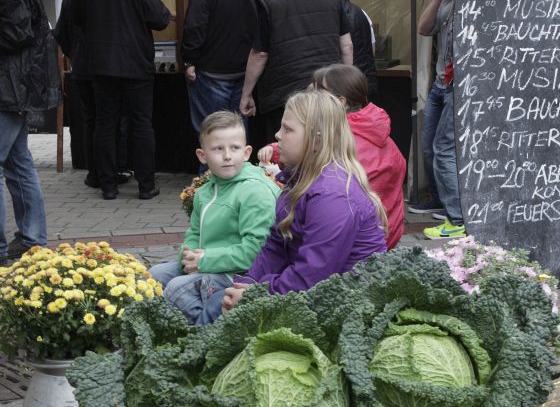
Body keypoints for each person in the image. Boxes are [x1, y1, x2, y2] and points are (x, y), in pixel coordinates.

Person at [221, 89, 387, 314]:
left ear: (316, 139)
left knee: (204, 298)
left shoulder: (332, 196)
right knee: (210, 295)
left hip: (346, 308)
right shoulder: (301, 179)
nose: (278, 135)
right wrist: (248, 282)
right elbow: (275, 246)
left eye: (287, 129)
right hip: (308, 294)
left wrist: (256, 294)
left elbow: (314, 275)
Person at [148, 111, 279, 324]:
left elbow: (257, 250)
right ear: (202, 155)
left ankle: (201, 332)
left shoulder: (254, 191)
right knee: (153, 276)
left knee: (177, 290)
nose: (227, 156)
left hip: (239, 272)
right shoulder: (204, 191)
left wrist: (205, 260)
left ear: (247, 152)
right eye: (218, 148)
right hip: (208, 262)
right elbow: (194, 232)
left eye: (235, 148)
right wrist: (187, 257)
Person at [258, 65, 405, 249]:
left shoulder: (340, 141)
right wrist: (276, 150)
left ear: (341, 102)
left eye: (318, 92)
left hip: (357, 242)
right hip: (388, 234)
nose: (311, 96)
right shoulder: (379, 133)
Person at [71, 0, 171, 201]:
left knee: (104, 123)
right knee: (141, 124)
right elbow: (160, 19)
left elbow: (76, 19)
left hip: (100, 65)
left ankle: (108, 186)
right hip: (137, 65)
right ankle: (146, 185)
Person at [239, 0, 353, 145]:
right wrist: (345, 85)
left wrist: (246, 94)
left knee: (285, 153)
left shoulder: (267, 1)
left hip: (284, 96)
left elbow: (260, 54)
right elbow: (347, 45)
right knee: (324, 149)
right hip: (326, 92)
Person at [0, 0, 58, 266]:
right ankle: (33, 239)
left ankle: (15, 245)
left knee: (15, 164)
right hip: (13, 86)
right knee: (18, 162)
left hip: (9, 87)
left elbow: (16, 33)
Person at [54, 0, 131, 190]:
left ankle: (94, 173)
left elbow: (61, 31)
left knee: (90, 121)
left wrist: (74, 53)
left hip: (81, 66)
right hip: (106, 66)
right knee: (108, 120)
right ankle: (109, 172)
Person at [182, 0, 262, 132]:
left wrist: (189, 60)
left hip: (212, 74)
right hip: (245, 75)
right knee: (238, 135)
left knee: (212, 135)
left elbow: (195, 25)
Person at [409, 0, 463, 224]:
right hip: (440, 86)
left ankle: (455, 211)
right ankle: (439, 197)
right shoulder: (446, 2)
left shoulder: (472, 4)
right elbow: (423, 27)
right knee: (429, 145)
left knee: (444, 147)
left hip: (457, 89)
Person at [319, 0, 378, 98]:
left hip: (343, 89)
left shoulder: (331, 13)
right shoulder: (362, 12)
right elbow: (372, 51)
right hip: (363, 84)